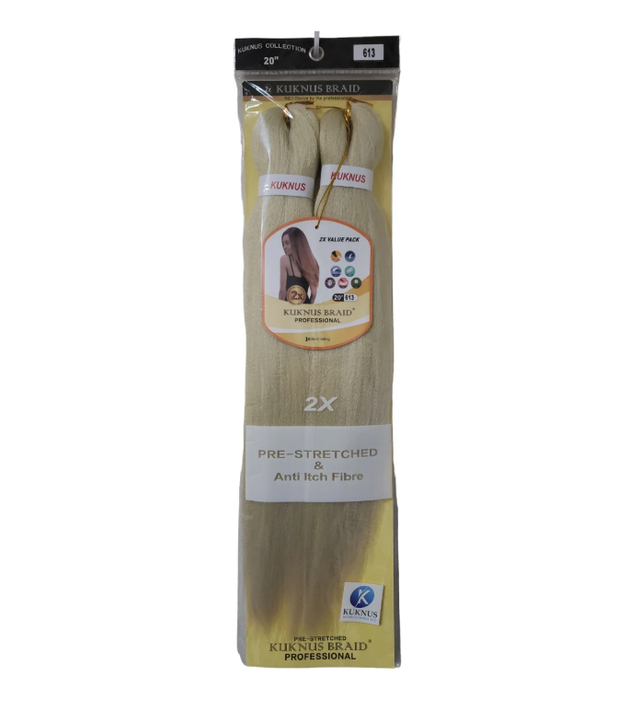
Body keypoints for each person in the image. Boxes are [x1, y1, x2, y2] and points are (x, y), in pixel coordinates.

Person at [279, 227, 319, 304]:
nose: (284, 247)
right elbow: (314, 293)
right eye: (283, 244)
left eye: (287, 243)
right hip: (305, 307)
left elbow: (282, 292)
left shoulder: (284, 260)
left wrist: (278, 308)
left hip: (288, 308)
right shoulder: (313, 263)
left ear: (296, 243)